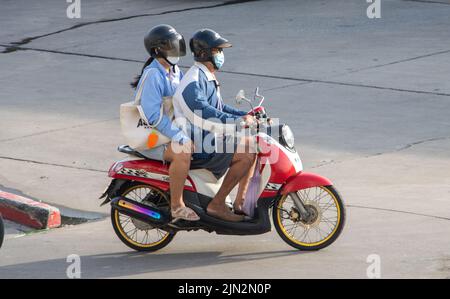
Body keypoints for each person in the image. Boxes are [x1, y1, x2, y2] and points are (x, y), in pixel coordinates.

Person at [173, 28, 257, 222]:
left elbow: (219, 107)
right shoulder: (193, 82)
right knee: (247, 153)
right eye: (217, 50)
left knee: (254, 145)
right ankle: (217, 204)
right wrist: (236, 122)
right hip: (199, 145)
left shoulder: (206, 76)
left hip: (209, 138)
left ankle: (241, 202)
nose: (221, 55)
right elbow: (205, 112)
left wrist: (245, 114)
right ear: (204, 53)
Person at [131, 24, 199, 221]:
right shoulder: (153, 74)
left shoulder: (175, 70)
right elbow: (152, 116)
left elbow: (188, 98)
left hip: (168, 132)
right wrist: (179, 136)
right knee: (182, 153)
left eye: (175, 45)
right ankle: (177, 206)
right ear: (157, 51)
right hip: (152, 137)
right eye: (170, 47)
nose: (175, 50)